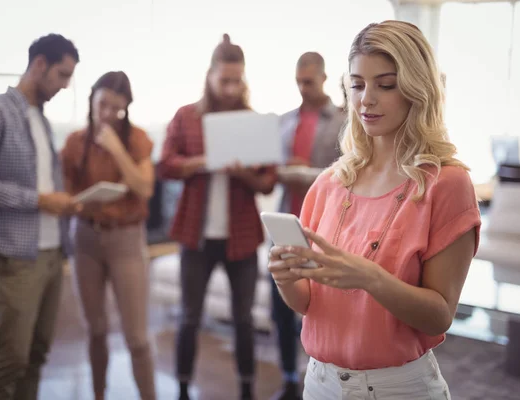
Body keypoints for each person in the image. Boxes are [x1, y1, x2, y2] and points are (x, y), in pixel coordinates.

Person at [268, 20, 481, 400]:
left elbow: (439, 314)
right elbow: (308, 303)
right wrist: (285, 277)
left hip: (397, 390)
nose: (366, 99)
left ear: (418, 89)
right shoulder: (330, 183)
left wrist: (370, 278)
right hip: (319, 384)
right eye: (357, 84)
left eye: (385, 85)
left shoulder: (446, 184)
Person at [0, 34, 80, 400]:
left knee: (36, 355)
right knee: (8, 361)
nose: (64, 85)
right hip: (12, 257)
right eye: (62, 74)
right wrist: (41, 201)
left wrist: (62, 203)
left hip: (50, 253)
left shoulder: (40, 121)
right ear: (39, 64)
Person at [158, 34, 277, 400]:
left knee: (243, 320)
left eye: (236, 79)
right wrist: (202, 162)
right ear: (209, 75)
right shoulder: (186, 117)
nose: (230, 87)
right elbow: (165, 165)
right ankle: (181, 389)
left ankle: (245, 390)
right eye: (224, 79)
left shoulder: (253, 122)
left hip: (240, 235)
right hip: (195, 234)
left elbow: (267, 180)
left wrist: (240, 171)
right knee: (189, 317)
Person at [61, 71, 156, 400]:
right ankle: (98, 394)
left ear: (126, 108)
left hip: (126, 239)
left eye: (116, 108)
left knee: (136, 337)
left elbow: (144, 187)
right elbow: (67, 198)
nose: (107, 114)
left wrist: (116, 149)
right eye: (102, 104)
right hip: (85, 237)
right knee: (96, 330)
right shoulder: (74, 143)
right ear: (91, 99)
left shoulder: (136, 140)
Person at [270, 52, 347, 400]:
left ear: (323, 78)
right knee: (280, 308)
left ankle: (323, 376)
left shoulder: (343, 120)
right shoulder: (285, 121)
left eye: (309, 82)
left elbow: (348, 174)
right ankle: (289, 378)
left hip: (327, 228)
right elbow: (272, 169)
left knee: (322, 307)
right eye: (298, 82)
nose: (303, 89)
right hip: (288, 220)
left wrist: (306, 171)